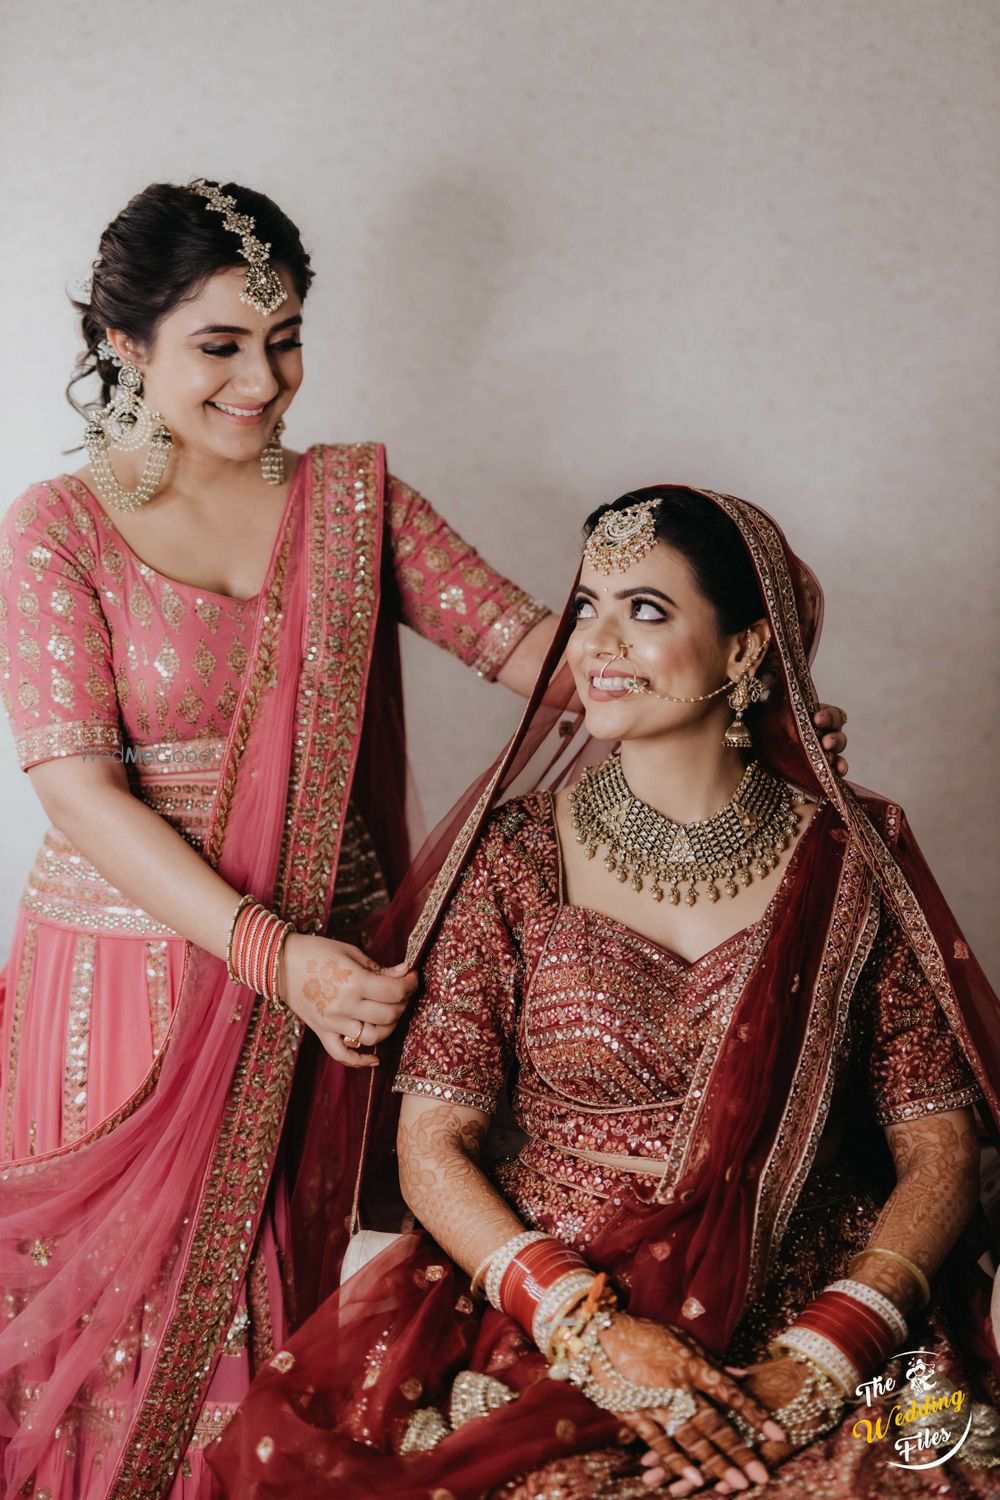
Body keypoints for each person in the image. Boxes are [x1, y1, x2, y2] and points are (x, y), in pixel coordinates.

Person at [0, 178, 848, 1497]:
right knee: (113, 1345)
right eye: (219, 346)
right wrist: (276, 957)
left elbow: (541, 654)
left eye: (285, 341)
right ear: (126, 347)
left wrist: (754, 690)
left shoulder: (357, 509)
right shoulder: (57, 529)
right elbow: (75, 790)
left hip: (329, 994)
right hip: (124, 984)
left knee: (278, 1325)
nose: (263, 381)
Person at [211, 486, 999, 1498]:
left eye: (646, 610)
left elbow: (935, 1149)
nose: (596, 642)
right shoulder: (512, 858)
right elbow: (430, 1144)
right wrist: (590, 1333)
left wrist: (827, 1352)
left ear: (748, 649)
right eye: (585, 606)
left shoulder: (853, 862)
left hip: (815, 1299)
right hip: (546, 1307)